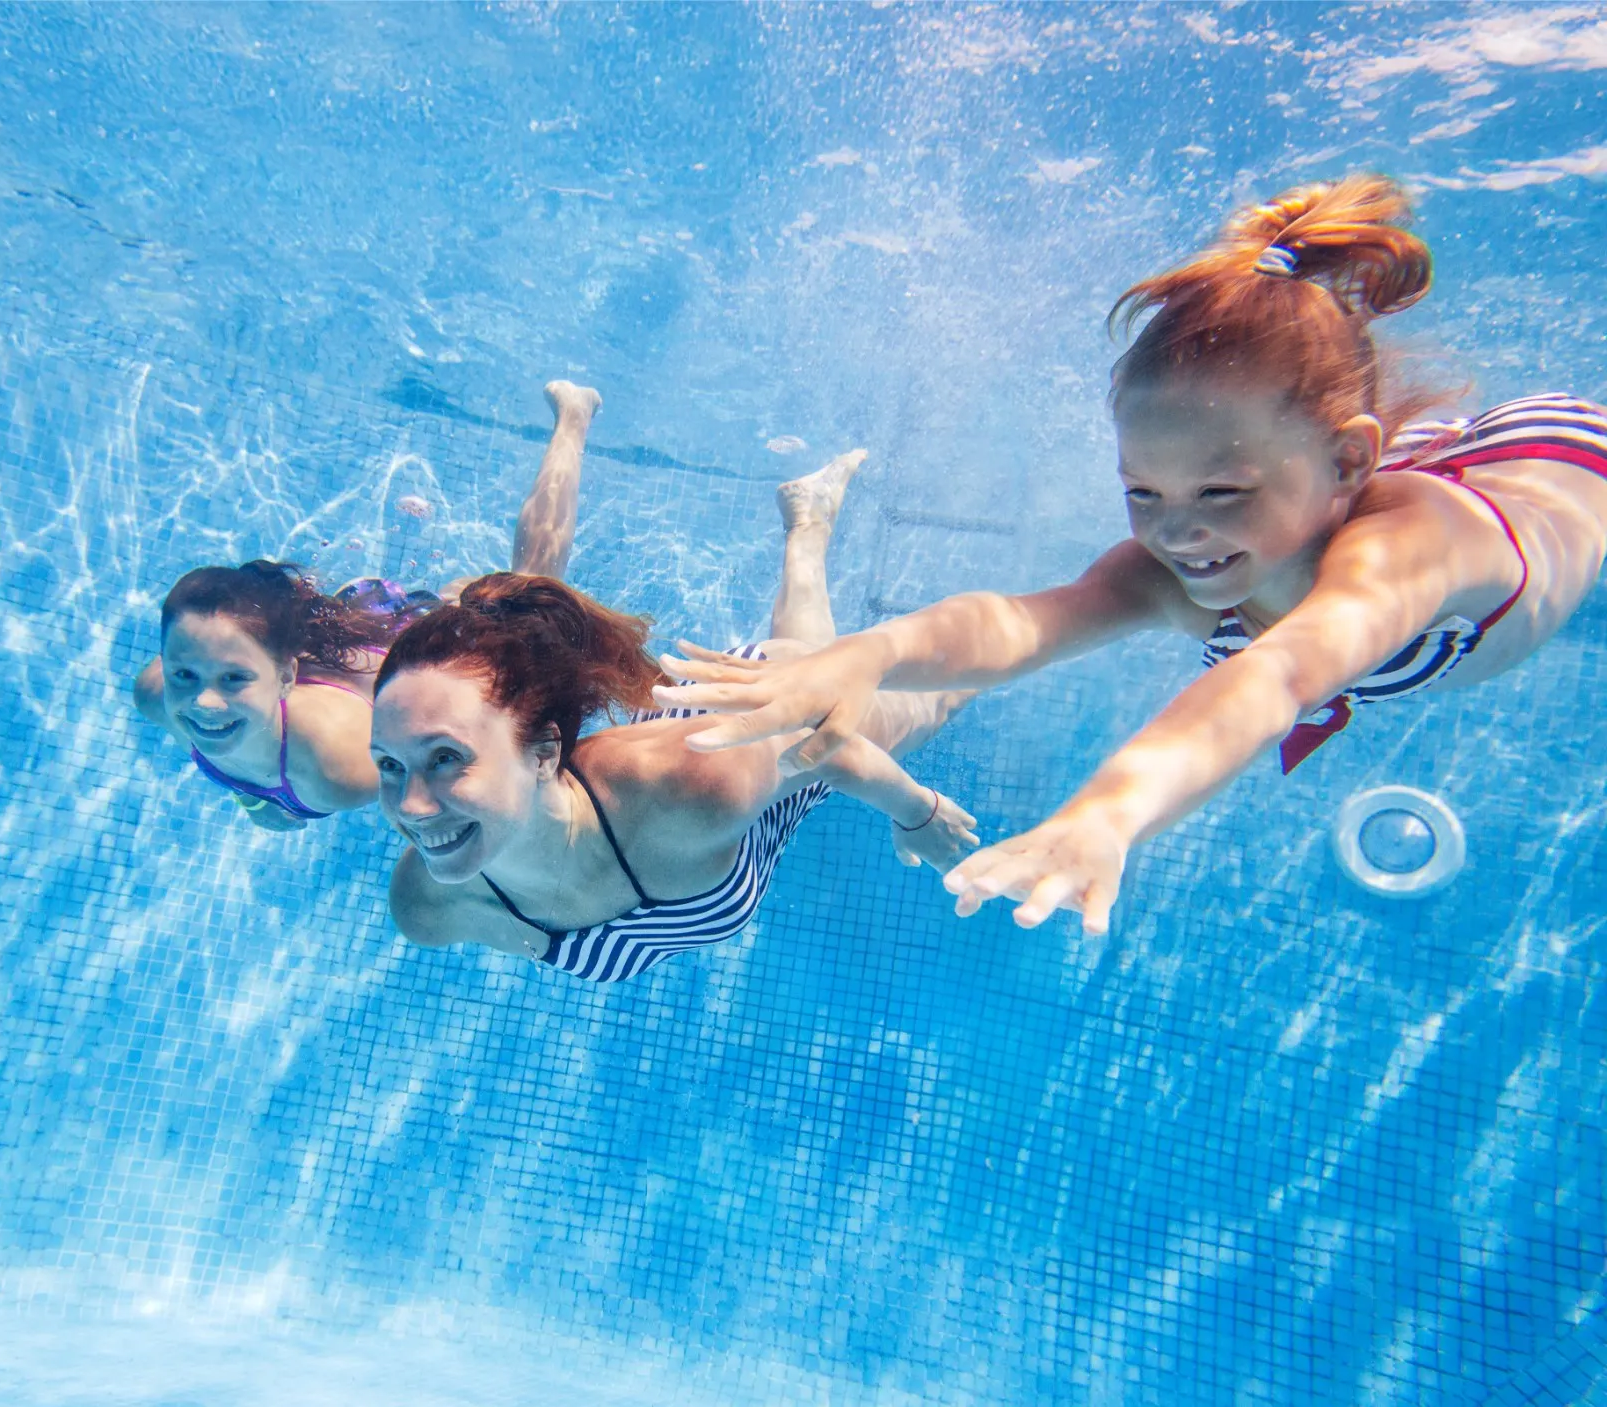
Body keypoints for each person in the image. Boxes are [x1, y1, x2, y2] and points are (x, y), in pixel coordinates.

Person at [650, 174, 1607, 936]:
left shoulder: (1400, 553)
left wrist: (1109, 811)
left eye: (1219, 493)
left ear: (1352, 461)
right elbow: (1024, 621)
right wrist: (866, 654)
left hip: (1563, 468)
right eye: (1143, 492)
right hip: (1388, 470)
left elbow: (1278, 675)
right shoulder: (1204, 554)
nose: (1177, 533)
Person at [371, 451, 980, 982]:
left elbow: (826, 737)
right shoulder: (429, 906)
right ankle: (808, 522)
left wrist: (917, 813)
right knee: (821, 653)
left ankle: (1026, 612)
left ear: (544, 753)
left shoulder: (694, 781)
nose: (411, 806)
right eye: (390, 765)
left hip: (749, 720)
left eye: (446, 758)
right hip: (732, 795)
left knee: (946, 691)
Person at [132, 380, 604, 829]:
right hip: (351, 625)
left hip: (408, 641)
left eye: (234, 678)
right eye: (184, 675)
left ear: (286, 678)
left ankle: (574, 416)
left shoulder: (340, 766)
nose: (204, 701)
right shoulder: (157, 695)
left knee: (532, 586)